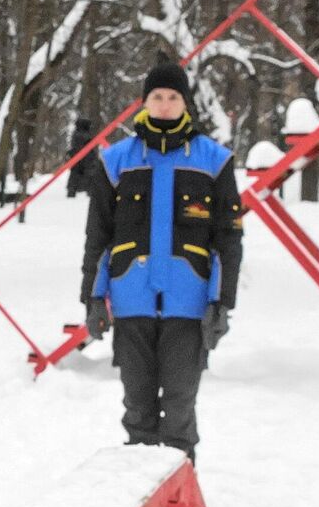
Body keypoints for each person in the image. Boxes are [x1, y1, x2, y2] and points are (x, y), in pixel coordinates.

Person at [80, 61, 244, 460]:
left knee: (180, 407)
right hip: (131, 298)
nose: (166, 104)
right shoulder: (115, 160)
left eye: (173, 97)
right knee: (137, 408)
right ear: (145, 102)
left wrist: (221, 302)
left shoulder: (214, 160)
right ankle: (142, 499)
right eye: (158, 97)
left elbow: (228, 238)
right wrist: (92, 297)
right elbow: (98, 236)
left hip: (188, 304)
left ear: (185, 103)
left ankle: (179, 502)